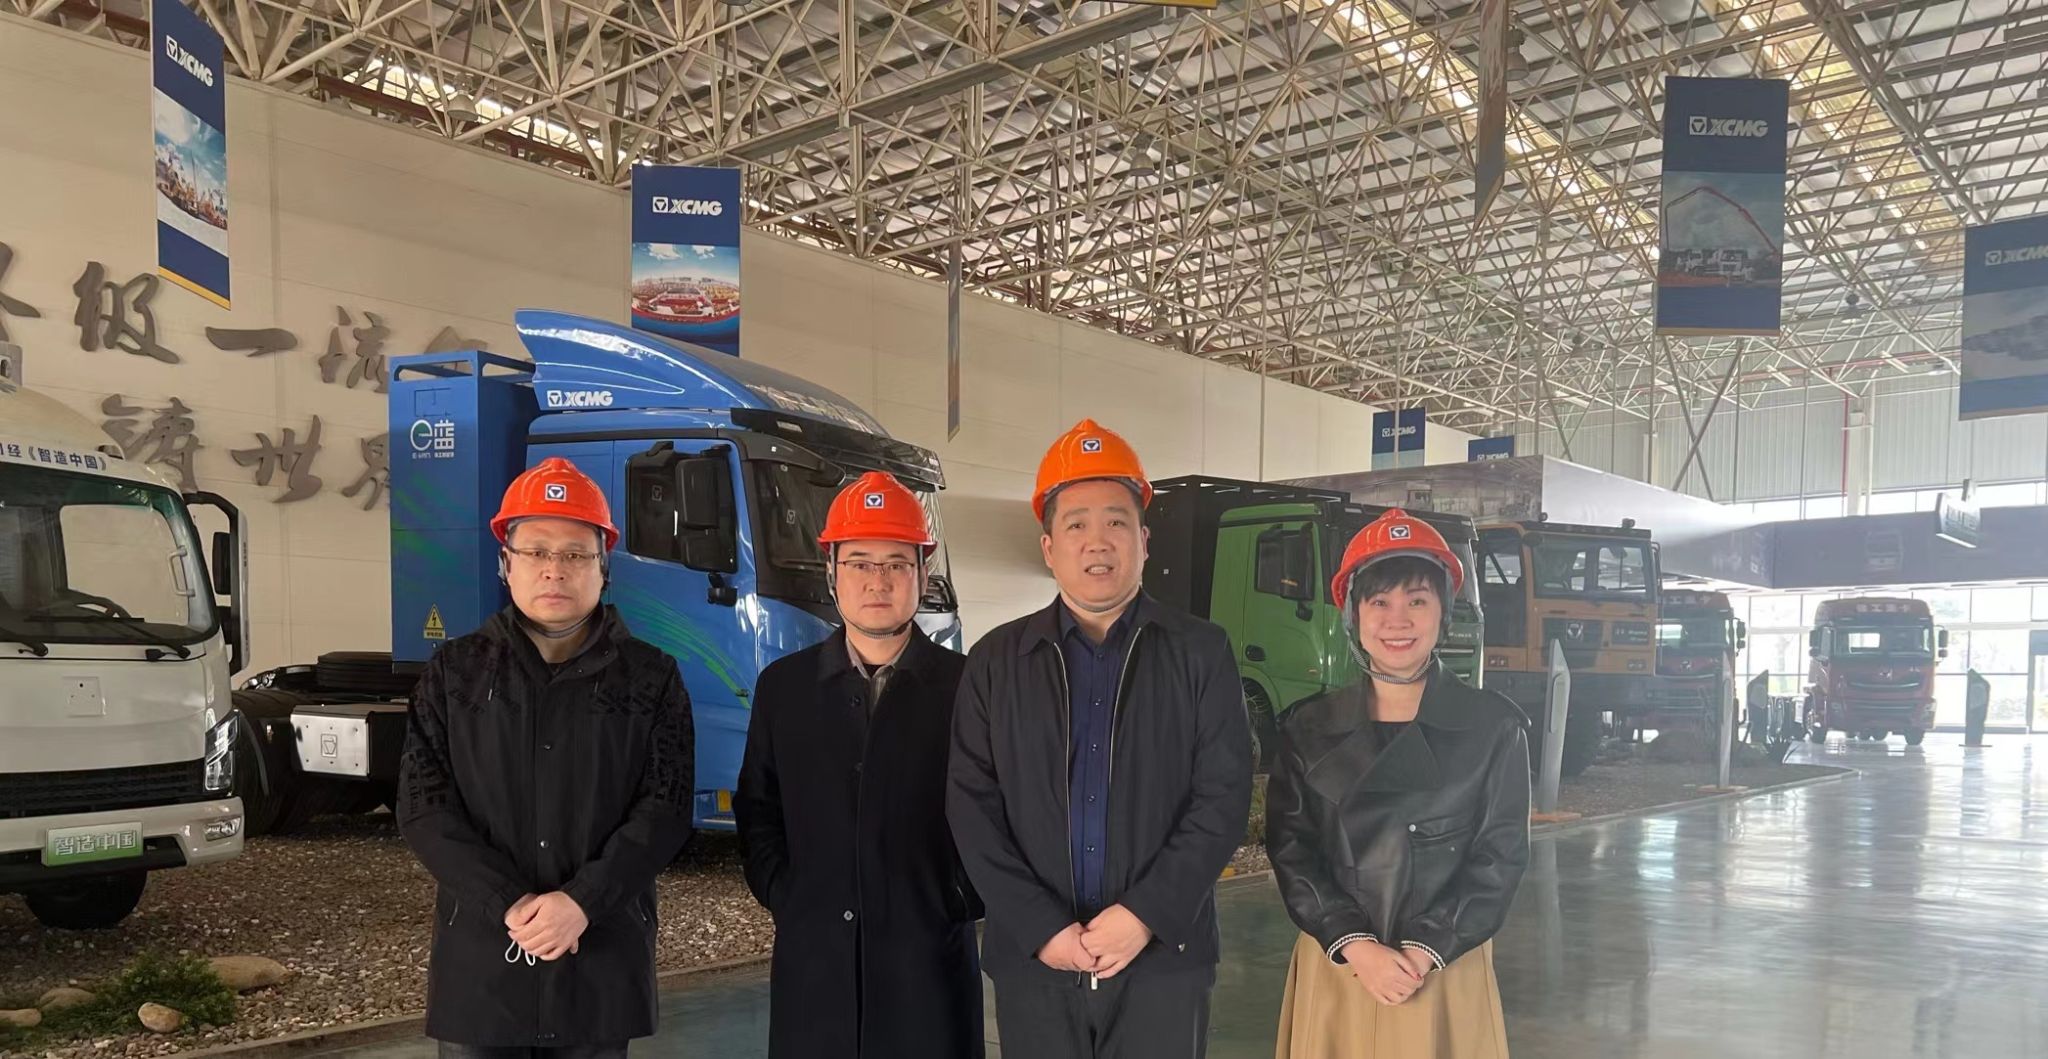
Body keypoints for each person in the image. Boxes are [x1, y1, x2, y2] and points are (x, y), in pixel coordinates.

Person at [948, 418, 1253, 1059]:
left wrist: (1144, 915)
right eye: (1076, 524)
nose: (1098, 541)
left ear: (1144, 541)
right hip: (1037, 963)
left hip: (1163, 959)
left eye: (1117, 522)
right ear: (1048, 546)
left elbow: (1222, 798)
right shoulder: (996, 662)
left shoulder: (1201, 652)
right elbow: (972, 808)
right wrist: (1041, 927)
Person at [397, 456, 696, 1059]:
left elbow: (665, 809)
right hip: (484, 961)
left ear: (603, 568)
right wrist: (507, 902)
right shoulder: (455, 673)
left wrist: (583, 901)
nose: (554, 569)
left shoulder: (651, 677)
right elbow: (423, 807)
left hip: (599, 955)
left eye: (575, 554)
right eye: (536, 551)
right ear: (506, 564)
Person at [735, 471, 983, 1058]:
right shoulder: (784, 689)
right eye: (859, 562)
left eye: (896, 563)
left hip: (928, 964)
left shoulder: (970, 688)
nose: (878, 580)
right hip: (814, 964)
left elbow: (1001, 812)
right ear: (832, 572)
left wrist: (957, 899)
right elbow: (758, 810)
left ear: (923, 572)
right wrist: (787, 894)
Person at [1267, 509, 1529, 1058]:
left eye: (1417, 601)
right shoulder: (1308, 728)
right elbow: (1292, 849)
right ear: (1354, 615)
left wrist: (1425, 949)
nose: (1398, 620)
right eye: (1379, 602)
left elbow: (1499, 856)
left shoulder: (1492, 728)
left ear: (1443, 613)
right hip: (1341, 962)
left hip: (1441, 966)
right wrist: (1355, 944)